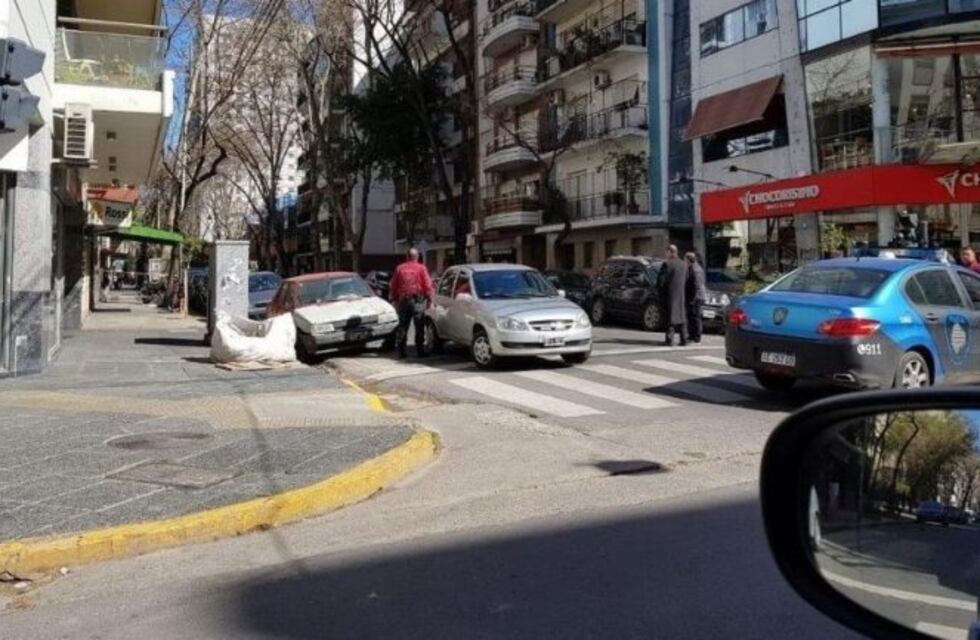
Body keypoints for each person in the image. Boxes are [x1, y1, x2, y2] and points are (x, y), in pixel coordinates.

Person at [389, 247, 434, 359]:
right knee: (419, 325)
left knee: (403, 326)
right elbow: (427, 285)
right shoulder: (421, 268)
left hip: (403, 299)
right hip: (417, 299)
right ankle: (420, 350)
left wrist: (394, 299)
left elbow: (393, 285)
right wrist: (430, 299)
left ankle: (401, 351)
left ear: (407, 256)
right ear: (417, 257)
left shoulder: (399, 268)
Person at [660, 245, 692, 346]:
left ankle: (669, 340)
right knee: (681, 317)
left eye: (666, 252)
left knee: (670, 317)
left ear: (670, 252)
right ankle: (684, 339)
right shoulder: (684, 265)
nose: (666, 254)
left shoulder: (667, 264)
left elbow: (662, 281)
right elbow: (687, 279)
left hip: (670, 294)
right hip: (681, 294)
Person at [685, 252, 706, 344]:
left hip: (696, 297)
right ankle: (694, 335)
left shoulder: (694, 269)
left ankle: (696, 336)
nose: (684, 261)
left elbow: (695, 285)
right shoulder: (697, 268)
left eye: (685, 259)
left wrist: (692, 299)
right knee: (694, 316)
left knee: (694, 317)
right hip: (698, 296)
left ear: (689, 260)